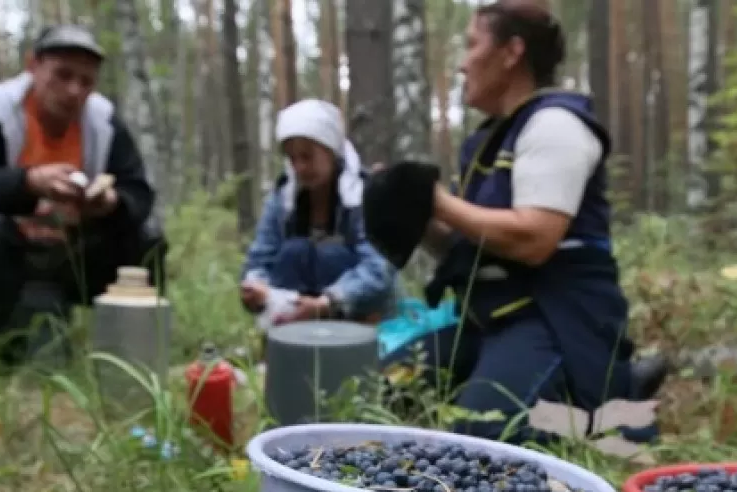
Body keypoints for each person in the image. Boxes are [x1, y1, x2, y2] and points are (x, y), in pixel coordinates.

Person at [364, 0, 666, 442]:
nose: (463, 64)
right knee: (382, 394)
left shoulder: (556, 125)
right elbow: (474, 246)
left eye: (471, 45)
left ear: (511, 52)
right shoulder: (491, 139)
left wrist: (439, 202)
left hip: (554, 318)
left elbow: (535, 240)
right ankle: (586, 393)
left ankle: (605, 407)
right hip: (490, 321)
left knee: (483, 434)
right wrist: (417, 213)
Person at [0, 25, 165, 365]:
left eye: (86, 81)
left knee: (148, 238)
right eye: (62, 75)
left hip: (73, 251)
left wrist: (110, 204)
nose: (74, 91)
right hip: (4, 252)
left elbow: (137, 191)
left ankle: (132, 351)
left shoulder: (102, 122)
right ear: (33, 66)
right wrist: (28, 183)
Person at [239, 99, 397, 327]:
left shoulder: (364, 196)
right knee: (295, 251)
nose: (299, 167)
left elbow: (378, 269)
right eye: (292, 158)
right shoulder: (283, 200)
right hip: (296, 317)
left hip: (357, 318)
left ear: (331, 150)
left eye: (307, 156)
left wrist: (329, 302)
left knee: (330, 254)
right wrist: (255, 288)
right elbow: (259, 259)